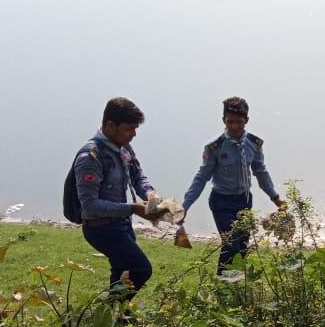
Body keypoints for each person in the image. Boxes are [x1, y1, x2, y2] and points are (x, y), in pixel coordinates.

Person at [182, 97, 285, 275]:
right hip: (222, 202)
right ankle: (222, 284)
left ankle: (235, 286)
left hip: (244, 202)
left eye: (239, 122)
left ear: (246, 120)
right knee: (231, 245)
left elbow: (260, 172)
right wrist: (185, 206)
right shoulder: (215, 147)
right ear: (224, 120)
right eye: (230, 122)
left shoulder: (254, 143)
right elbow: (201, 178)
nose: (235, 127)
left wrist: (275, 198)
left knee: (242, 248)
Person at [73, 97, 157, 298]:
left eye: (135, 129)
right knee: (141, 269)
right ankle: (112, 308)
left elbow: (137, 176)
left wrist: (150, 194)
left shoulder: (123, 146)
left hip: (122, 224)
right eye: (129, 129)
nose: (134, 134)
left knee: (121, 271)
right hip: (100, 228)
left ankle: (117, 317)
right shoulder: (90, 157)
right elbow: (90, 205)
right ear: (110, 125)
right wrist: (133, 208)